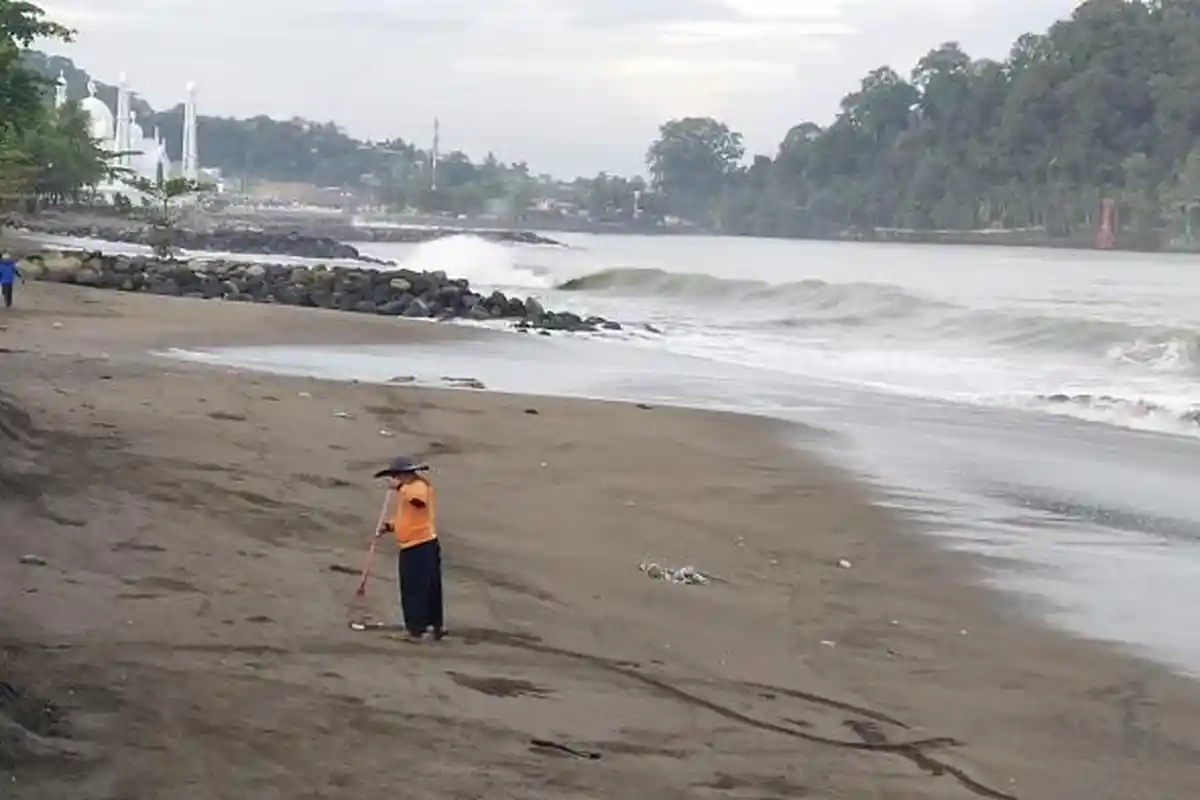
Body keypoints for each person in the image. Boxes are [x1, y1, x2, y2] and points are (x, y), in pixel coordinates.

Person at [374, 455, 445, 642]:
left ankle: (417, 629)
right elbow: (409, 518)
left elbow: (418, 502)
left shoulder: (417, 486)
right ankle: (432, 626)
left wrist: (399, 488)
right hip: (416, 543)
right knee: (426, 587)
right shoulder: (408, 489)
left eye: (396, 476)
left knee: (416, 588)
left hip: (420, 545)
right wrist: (390, 526)